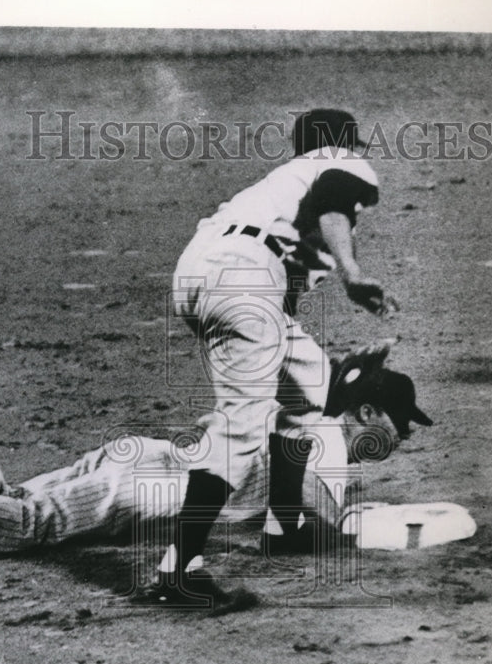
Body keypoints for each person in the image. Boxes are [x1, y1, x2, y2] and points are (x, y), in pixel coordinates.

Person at [0, 345, 431, 610]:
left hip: (142, 458)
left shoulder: (308, 414)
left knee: (17, 499)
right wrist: (347, 536)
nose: (401, 439)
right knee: (26, 523)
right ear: (368, 414)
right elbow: (288, 528)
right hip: (152, 490)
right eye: (399, 425)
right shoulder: (326, 444)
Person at [149, 107, 399, 603]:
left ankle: (286, 526)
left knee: (308, 394)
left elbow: (282, 309)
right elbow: (334, 196)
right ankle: (177, 570)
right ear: (349, 145)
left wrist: (336, 380)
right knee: (240, 430)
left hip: (207, 274)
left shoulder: (279, 185)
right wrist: (351, 274)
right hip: (242, 280)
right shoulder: (340, 164)